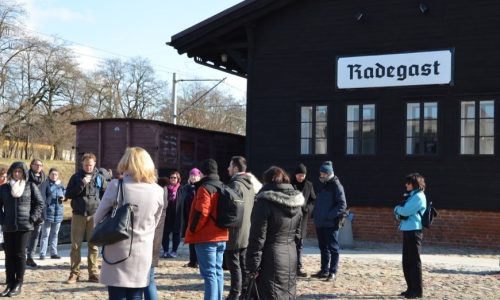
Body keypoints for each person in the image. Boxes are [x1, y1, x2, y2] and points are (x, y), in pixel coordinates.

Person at [95, 147, 164, 300]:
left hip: (117, 249)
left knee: (117, 295)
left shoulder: (116, 186)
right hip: (142, 252)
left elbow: (97, 218)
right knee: (136, 295)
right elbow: (155, 222)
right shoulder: (159, 191)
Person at [245, 166, 304, 299]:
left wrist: (252, 266)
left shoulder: (264, 203)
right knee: (286, 294)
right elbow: (298, 235)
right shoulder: (297, 205)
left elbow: (257, 237)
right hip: (290, 255)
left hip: (270, 257)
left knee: (269, 294)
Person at [185, 159, 229, 300]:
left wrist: (192, 230)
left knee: (209, 274)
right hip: (222, 235)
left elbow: (202, 212)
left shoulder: (205, 188)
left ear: (203, 173)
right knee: (218, 271)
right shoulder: (223, 186)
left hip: (206, 237)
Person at [0, 161, 44, 297]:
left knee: (20, 255)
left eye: (20, 171)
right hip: (8, 227)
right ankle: (9, 283)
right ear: (11, 173)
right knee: (9, 256)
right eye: (15, 171)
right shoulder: (5, 188)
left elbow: (40, 203)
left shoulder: (30, 186)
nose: (17, 174)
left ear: (24, 173)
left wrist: (31, 218)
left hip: (25, 227)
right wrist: (2, 220)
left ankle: (18, 283)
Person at [65, 152, 105, 284]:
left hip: (94, 214)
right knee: (75, 246)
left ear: (94, 164)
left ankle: (93, 273)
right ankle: (74, 273)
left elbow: (106, 193)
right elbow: (69, 194)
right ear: (82, 163)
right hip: (78, 214)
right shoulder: (76, 177)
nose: (88, 167)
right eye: (86, 165)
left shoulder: (99, 177)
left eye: (91, 165)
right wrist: (82, 183)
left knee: (93, 246)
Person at [224, 156, 257, 300]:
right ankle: (244, 292)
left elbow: (232, 209)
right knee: (242, 263)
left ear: (236, 169)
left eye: (230, 166)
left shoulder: (236, 185)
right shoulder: (249, 185)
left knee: (234, 264)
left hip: (235, 231)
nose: (228, 169)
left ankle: (235, 293)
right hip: (246, 230)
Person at [312, 161, 347, 281]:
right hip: (320, 222)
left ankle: (333, 272)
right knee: (323, 247)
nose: (320, 175)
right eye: (320, 173)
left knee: (333, 248)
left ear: (328, 173)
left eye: (322, 173)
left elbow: (342, 205)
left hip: (330, 223)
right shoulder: (323, 184)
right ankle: (324, 270)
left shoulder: (336, 185)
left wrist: (329, 215)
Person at [394, 173, 427, 299]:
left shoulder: (418, 196)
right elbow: (401, 214)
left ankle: (417, 291)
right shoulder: (411, 196)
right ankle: (410, 288)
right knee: (406, 261)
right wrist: (398, 211)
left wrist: (397, 209)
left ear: (414, 184)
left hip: (414, 230)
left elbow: (405, 211)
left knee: (414, 261)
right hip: (407, 229)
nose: (406, 185)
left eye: (408, 183)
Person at [143, 176, 168, 300]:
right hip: (154, 240)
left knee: (147, 279)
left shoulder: (153, 192)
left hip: (148, 240)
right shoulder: (160, 191)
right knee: (149, 279)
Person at [291, 163, 316, 277]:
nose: (301, 177)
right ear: (295, 174)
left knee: (299, 244)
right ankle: (289, 267)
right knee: (290, 244)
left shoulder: (309, 185)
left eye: (303, 175)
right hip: (290, 218)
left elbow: (313, 200)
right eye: (299, 175)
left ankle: (298, 268)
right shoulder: (290, 184)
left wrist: (307, 209)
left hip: (303, 219)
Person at [38, 168, 66, 260]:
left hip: (58, 213)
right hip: (48, 213)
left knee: (55, 234)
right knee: (45, 234)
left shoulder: (60, 184)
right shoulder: (45, 184)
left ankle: (53, 253)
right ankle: (42, 253)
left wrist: (64, 197)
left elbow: (65, 193)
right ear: (49, 175)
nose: (54, 176)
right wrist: (56, 186)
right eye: (52, 174)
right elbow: (43, 197)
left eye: (56, 174)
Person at [177, 168, 202, 268]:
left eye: (195, 175)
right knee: (191, 240)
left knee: (199, 241)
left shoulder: (201, 187)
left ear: (199, 176)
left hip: (198, 217)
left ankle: (199, 261)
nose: (193, 177)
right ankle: (192, 261)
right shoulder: (185, 188)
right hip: (188, 217)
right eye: (191, 175)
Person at [26, 158, 46, 268]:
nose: (38, 166)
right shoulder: (26, 177)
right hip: (27, 209)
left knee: (35, 236)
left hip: (40, 211)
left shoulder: (44, 178)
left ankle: (30, 257)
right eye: (36, 164)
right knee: (25, 235)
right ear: (31, 165)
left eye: (40, 165)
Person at [161, 171, 181, 258]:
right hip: (167, 214)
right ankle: (165, 251)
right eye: (171, 177)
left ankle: (174, 251)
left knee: (176, 233)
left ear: (178, 179)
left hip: (177, 214)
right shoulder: (165, 189)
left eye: (174, 177)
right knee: (165, 233)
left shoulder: (181, 189)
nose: (173, 179)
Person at [0, 165, 7, 251]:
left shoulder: (8, 185)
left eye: (5, 176)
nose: (4, 178)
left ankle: (3, 243)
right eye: (2, 176)